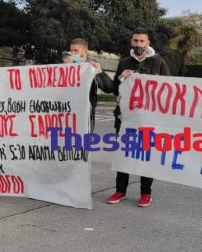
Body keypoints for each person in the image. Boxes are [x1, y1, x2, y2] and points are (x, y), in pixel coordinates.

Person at [107, 27, 170, 207]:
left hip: (149, 119)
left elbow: (168, 89)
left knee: (146, 156)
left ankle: (146, 193)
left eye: (142, 41)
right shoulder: (124, 62)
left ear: (148, 43)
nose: (138, 44)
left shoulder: (159, 63)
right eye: (135, 41)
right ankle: (120, 191)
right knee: (123, 154)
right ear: (131, 41)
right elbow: (114, 90)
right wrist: (121, 77)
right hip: (125, 118)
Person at [63, 38, 114, 131]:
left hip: (86, 114)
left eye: (76, 50)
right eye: (71, 50)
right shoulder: (68, 65)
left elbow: (109, 88)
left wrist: (100, 72)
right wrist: (65, 69)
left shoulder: (92, 66)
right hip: (69, 111)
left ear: (84, 51)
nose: (73, 53)